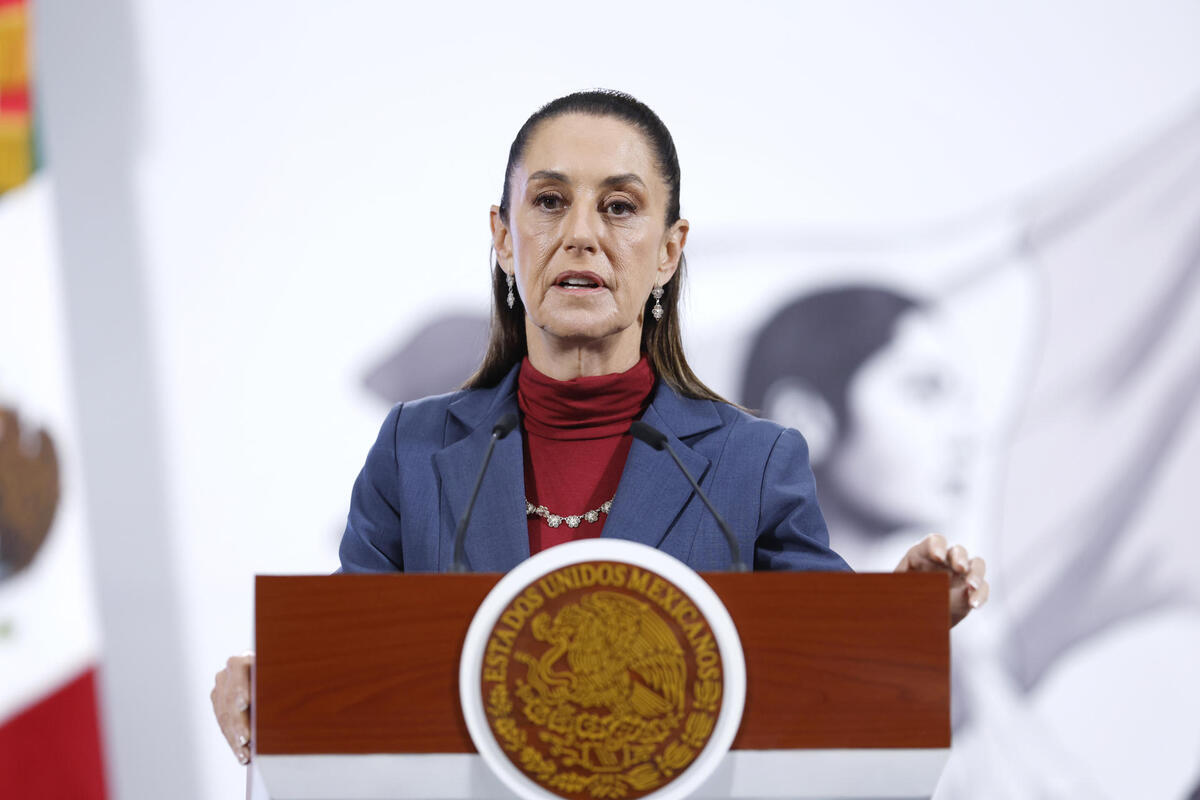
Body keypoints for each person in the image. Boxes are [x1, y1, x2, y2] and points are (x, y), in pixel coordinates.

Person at [211, 90, 988, 766]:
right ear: (504, 237)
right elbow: (356, 668)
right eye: (550, 201)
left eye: (619, 207)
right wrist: (276, 685)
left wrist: (899, 617)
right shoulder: (414, 450)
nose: (581, 233)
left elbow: (825, 674)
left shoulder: (753, 462)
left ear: (669, 251)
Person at [740, 286, 975, 569]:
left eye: (962, 401)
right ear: (801, 420)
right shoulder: (712, 588)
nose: (967, 434)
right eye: (924, 392)